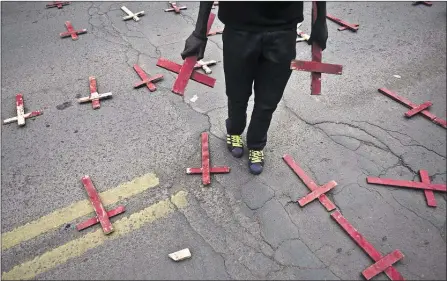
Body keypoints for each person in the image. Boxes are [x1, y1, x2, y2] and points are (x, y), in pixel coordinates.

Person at [181, 1, 328, 175]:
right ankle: (234, 130)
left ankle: (256, 143)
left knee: (269, 98)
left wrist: (320, 22)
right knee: (237, 91)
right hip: (238, 28)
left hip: (283, 30)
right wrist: (199, 33)